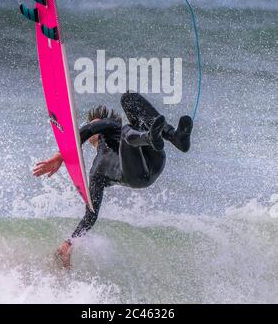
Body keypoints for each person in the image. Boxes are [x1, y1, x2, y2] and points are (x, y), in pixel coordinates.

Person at [33, 92, 193, 268]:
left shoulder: (112, 127)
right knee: (129, 132)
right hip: (136, 173)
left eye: (97, 124)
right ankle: (152, 137)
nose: (95, 127)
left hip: (151, 157)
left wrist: (60, 156)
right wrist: (68, 244)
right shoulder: (96, 173)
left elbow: (89, 130)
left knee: (129, 99)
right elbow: (91, 215)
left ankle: (173, 136)